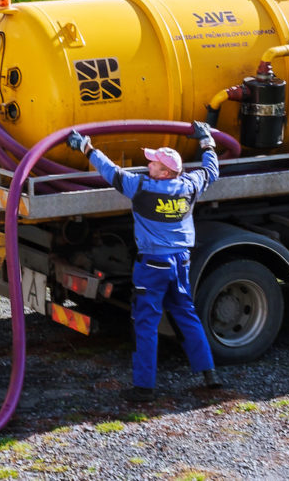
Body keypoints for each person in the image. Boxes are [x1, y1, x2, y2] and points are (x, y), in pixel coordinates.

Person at [66, 122, 223, 402]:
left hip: (153, 267)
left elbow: (110, 172)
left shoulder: (141, 188)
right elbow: (211, 170)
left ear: (165, 172)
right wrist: (207, 140)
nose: (147, 165)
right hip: (180, 262)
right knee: (187, 315)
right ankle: (210, 373)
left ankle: (144, 388)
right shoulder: (189, 186)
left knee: (146, 323)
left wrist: (86, 148)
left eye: (153, 164)